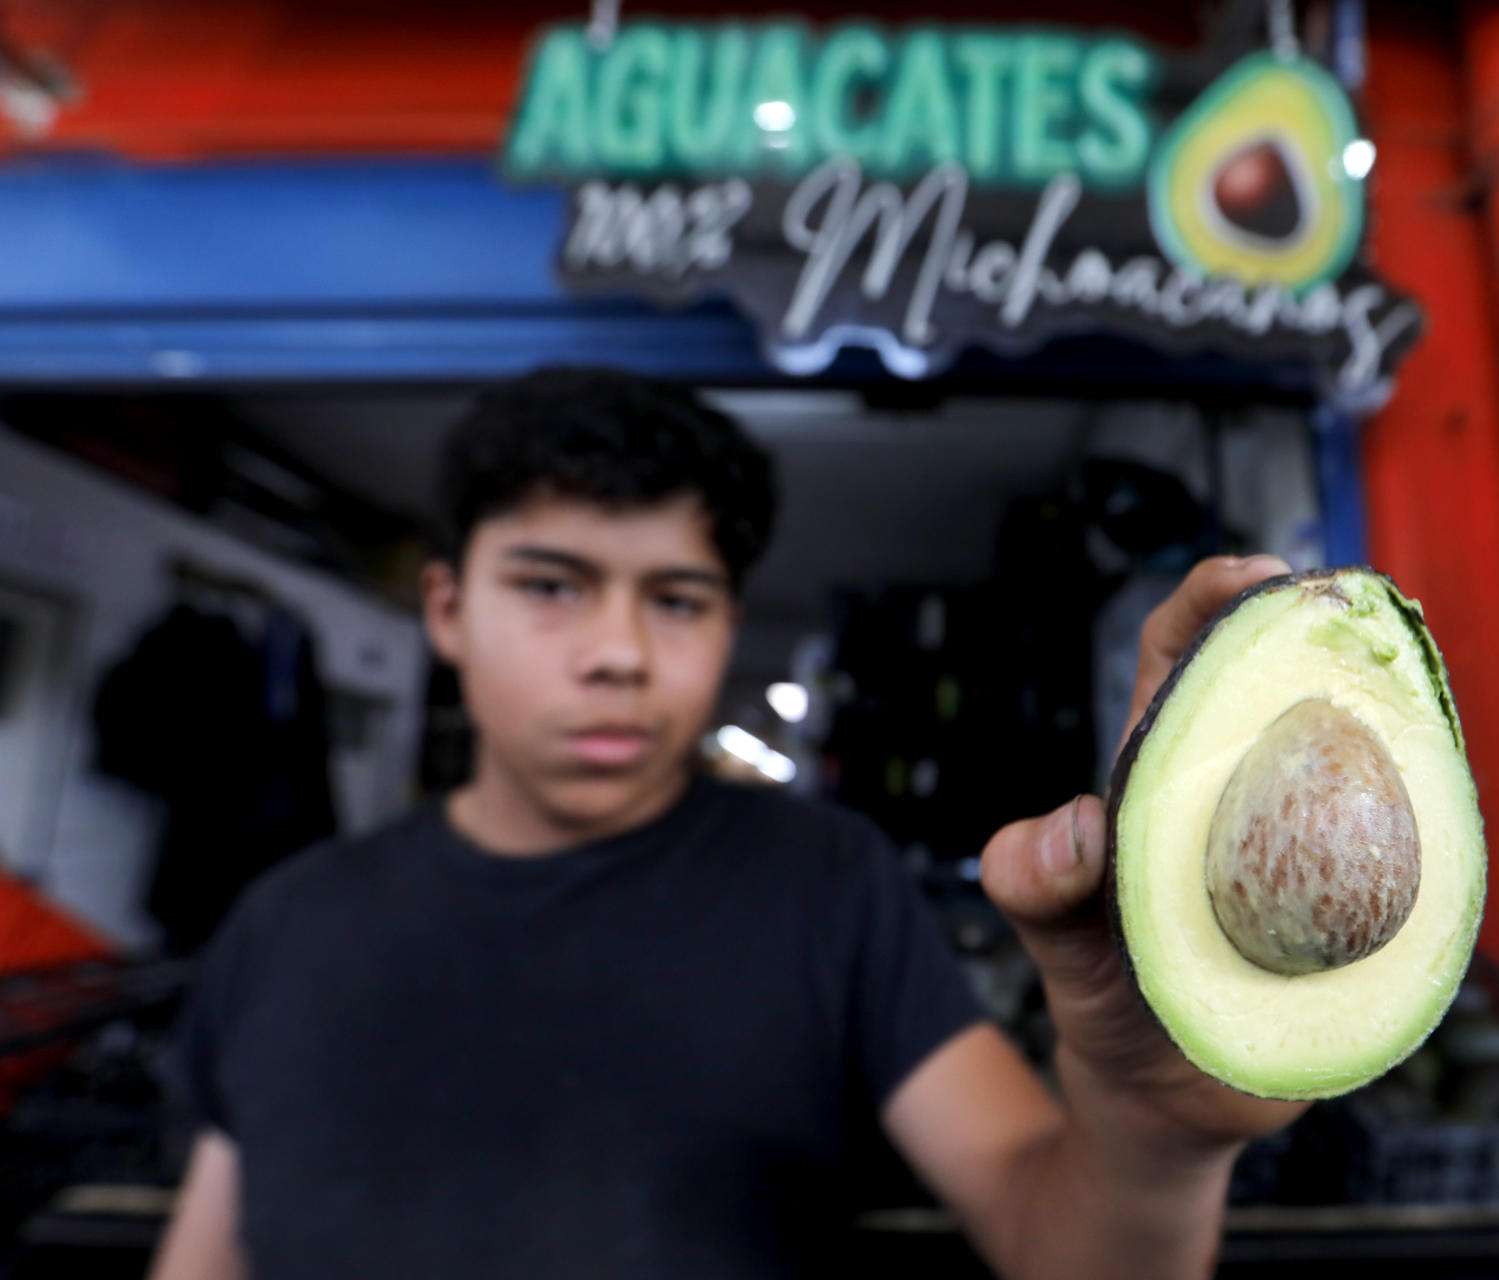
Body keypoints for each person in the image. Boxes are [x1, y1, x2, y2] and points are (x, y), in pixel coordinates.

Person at [147, 368, 1307, 1279]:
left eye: (676, 598)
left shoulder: (826, 884)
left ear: (726, 619)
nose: (618, 653)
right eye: (551, 584)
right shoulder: (289, 921)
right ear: (448, 608)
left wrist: (1150, 1137)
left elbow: (1048, 1229)